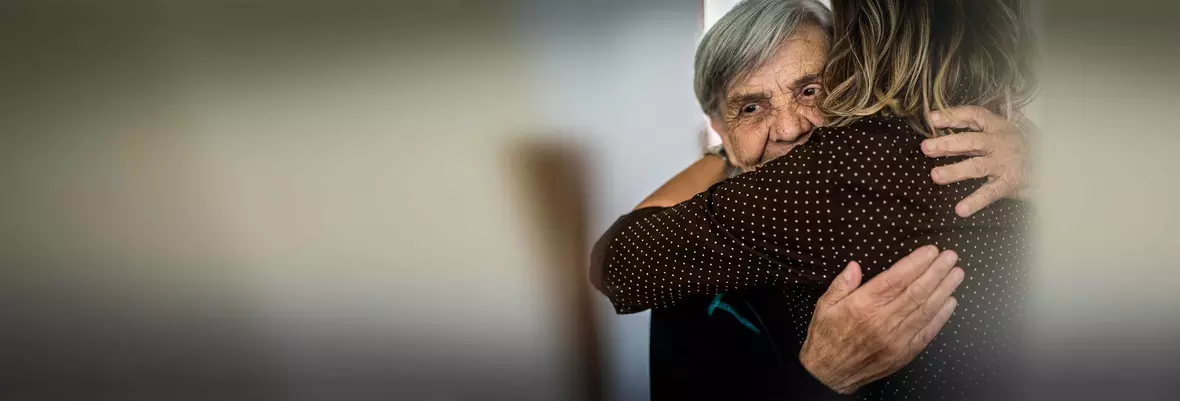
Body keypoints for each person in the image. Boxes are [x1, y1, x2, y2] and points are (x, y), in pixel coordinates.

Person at [590, 0, 1036, 399]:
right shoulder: (686, 280)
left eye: (810, 91)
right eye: (750, 108)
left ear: (853, 88)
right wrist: (821, 377)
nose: (790, 129)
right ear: (718, 128)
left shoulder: (860, 181)